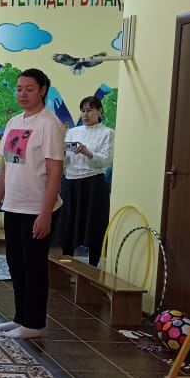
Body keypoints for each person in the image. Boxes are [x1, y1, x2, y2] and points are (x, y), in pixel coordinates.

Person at [0, 67, 64, 339]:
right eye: (19, 89)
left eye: (29, 89)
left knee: (34, 266)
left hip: (36, 208)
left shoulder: (49, 124)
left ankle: (34, 324)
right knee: (16, 264)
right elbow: (6, 168)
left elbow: (55, 172)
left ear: (42, 90)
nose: (23, 94)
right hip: (14, 205)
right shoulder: (14, 122)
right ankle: (20, 317)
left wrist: (45, 213)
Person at [59, 95, 114, 267]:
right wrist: (61, 152)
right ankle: (66, 264)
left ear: (99, 111)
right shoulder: (73, 132)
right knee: (68, 225)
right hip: (71, 181)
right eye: (82, 111)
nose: (85, 114)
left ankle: (92, 267)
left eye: (89, 110)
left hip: (94, 182)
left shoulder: (107, 133)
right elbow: (65, 160)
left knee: (94, 226)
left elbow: (106, 160)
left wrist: (87, 152)